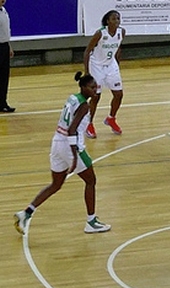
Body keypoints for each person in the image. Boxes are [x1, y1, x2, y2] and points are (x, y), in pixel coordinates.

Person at [13, 72, 111, 235]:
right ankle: (91, 221)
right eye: (92, 87)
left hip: (57, 142)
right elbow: (72, 130)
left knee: (56, 184)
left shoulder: (72, 98)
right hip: (70, 145)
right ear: (83, 87)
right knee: (91, 181)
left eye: (96, 87)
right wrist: (73, 156)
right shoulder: (84, 106)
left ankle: (26, 213)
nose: (95, 90)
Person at [83, 10, 125, 138]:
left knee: (119, 94)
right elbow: (87, 52)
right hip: (96, 66)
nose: (117, 21)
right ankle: (88, 124)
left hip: (111, 65)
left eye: (118, 18)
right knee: (96, 97)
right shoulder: (100, 33)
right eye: (114, 18)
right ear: (108, 21)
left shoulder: (121, 32)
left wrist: (116, 65)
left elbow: (118, 48)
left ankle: (111, 118)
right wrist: (87, 72)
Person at [0, 0, 15, 113]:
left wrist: (9, 46)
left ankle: (2, 103)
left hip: (4, 46)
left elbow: (5, 31)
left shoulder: (4, 11)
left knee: (4, 76)